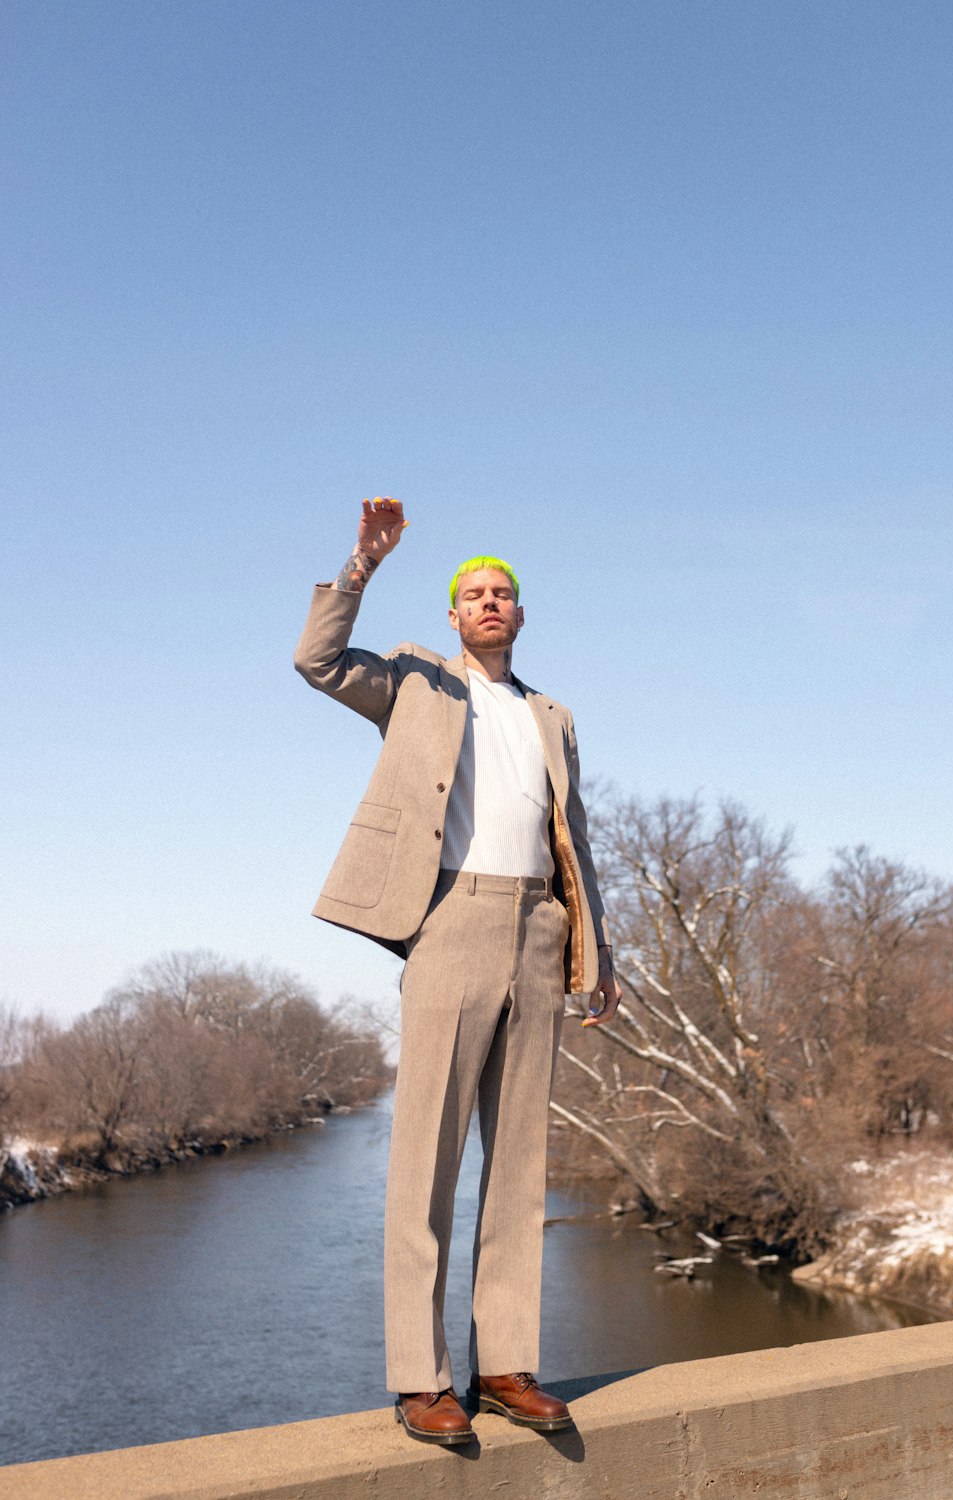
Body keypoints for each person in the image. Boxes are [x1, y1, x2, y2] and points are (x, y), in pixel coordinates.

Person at [294, 497, 621, 1445]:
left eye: (502, 594)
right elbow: (316, 663)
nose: (488, 604)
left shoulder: (551, 715)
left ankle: (508, 1365)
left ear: (521, 615)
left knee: (520, 1164)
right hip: (448, 918)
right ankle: (420, 1377)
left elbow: (576, 843)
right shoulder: (417, 685)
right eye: (473, 594)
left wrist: (597, 954)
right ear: (452, 614)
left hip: (537, 928)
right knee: (425, 1161)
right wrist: (359, 566)